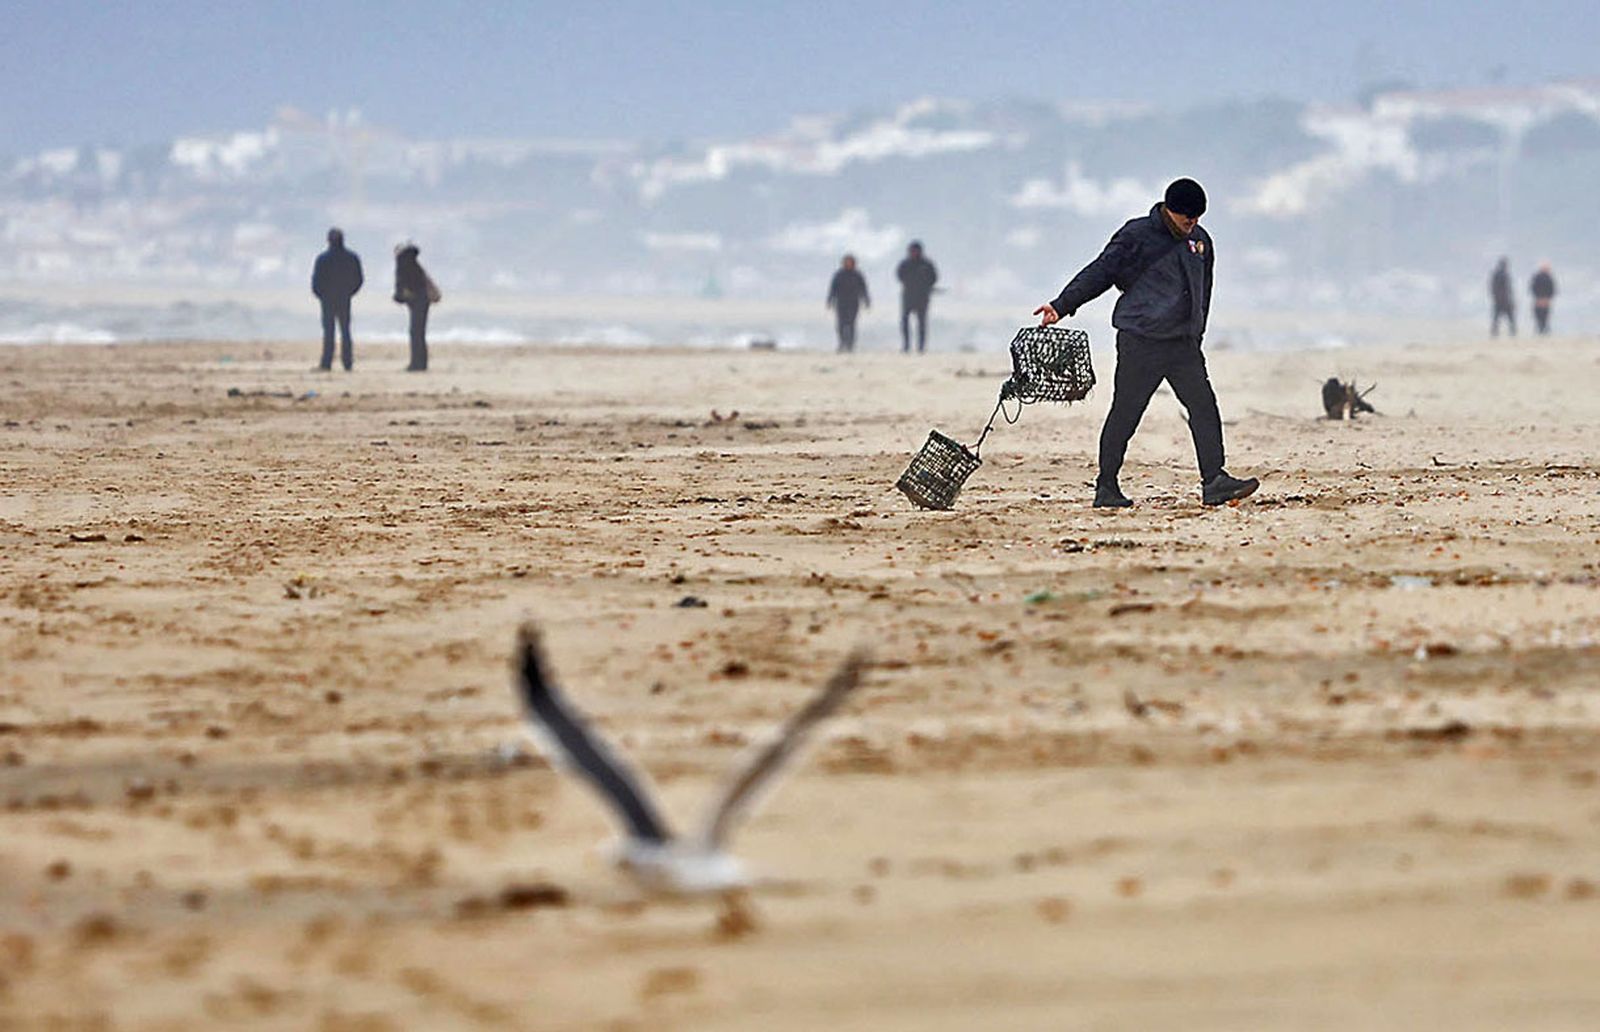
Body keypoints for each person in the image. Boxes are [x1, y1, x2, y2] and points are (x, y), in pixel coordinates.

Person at [1033, 177, 1258, 508]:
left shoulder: (1200, 241)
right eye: (1186, 219)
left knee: (1204, 407)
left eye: (1197, 220)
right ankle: (1106, 486)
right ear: (1170, 210)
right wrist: (1062, 304)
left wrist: (1197, 331)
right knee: (1126, 412)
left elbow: (1203, 293)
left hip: (1182, 344)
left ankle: (1214, 481)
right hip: (1141, 340)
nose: (1191, 226)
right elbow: (1101, 272)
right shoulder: (1137, 235)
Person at [311, 228, 363, 371]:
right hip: (344, 298)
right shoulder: (351, 257)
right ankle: (347, 363)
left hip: (328, 299)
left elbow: (316, 281)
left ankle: (326, 363)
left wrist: (321, 294)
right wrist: (349, 292)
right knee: (345, 331)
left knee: (329, 332)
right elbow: (359, 279)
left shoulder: (323, 259)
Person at [393, 243, 440, 372]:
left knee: (415, 333)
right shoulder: (415, 264)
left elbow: (401, 285)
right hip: (423, 300)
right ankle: (421, 363)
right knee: (419, 333)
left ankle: (416, 364)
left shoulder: (402, 264)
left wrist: (399, 297)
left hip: (415, 301)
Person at [896, 241, 938, 353]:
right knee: (905, 321)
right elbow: (899, 276)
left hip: (922, 297)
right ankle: (906, 346)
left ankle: (921, 347)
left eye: (916, 250)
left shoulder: (927, 264)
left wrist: (924, 284)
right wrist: (910, 282)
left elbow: (934, 278)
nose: (914, 253)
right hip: (908, 296)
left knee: (922, 323)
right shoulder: (905, 264)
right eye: (912, 251)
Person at [826, 254, 870, 352]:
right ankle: (842, 343)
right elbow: (833, 288)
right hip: (841, 302)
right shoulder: (839, 275)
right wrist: (829, 300)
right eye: (846, 262)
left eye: (850, 262)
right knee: (841, 324)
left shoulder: (858, 275)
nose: (848, 264)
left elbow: (863, 288)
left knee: (851, 324)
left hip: (853, 303)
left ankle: (850, 344)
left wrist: (866, 300)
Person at [1490, 257, 1516, 337]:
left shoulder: (1495, 275)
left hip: (1498, 300)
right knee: (1510, 318)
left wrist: (1495, 297)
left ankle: (1495, 332)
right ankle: (1512, 333)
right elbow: (1508, 289)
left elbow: (1492, 288)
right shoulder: (1505, 275)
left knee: (1496, 318)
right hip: (1505, 300)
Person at [1530, 262, 1556, 335]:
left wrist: (1547, 298)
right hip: (1540, 300)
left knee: (1543, 318)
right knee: (1541, 318)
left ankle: (1543, 331)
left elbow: (1552, 289)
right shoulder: (1541, 277)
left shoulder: (1547, 278)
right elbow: (1533, 288)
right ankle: (1542, 331)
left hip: (1543, 300)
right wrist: (1541, 298)